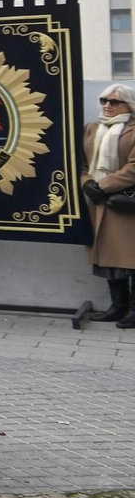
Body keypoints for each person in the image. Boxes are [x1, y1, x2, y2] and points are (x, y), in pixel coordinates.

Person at [82, 84, 135, 326]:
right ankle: (118, 306)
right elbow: (80, 163)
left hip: (125, 203)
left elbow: (133, 169)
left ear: (129, 105)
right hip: (98, 204)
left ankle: (134, 310)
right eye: (104, 100)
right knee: (109, 258)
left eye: (114, 102)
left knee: (131, 258)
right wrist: (87, 183)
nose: (107, 105)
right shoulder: (92, 129)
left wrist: (102, 186)